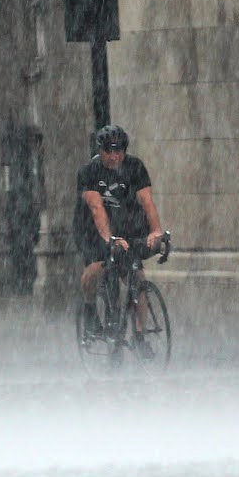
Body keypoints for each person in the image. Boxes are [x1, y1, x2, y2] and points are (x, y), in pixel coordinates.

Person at [75, 124, 165, 335]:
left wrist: (156, 231)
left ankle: (140, 335)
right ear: (100, 150)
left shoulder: (135, 167)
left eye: (119, 150)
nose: (114, 156)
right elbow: (96, 208)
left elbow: (146, 201)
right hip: (91, 229)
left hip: (124, 225)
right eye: (109, 151)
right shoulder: (88, 172)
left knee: (138, 278)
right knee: (97, 267)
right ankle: (90, 309)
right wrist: (109, 239)